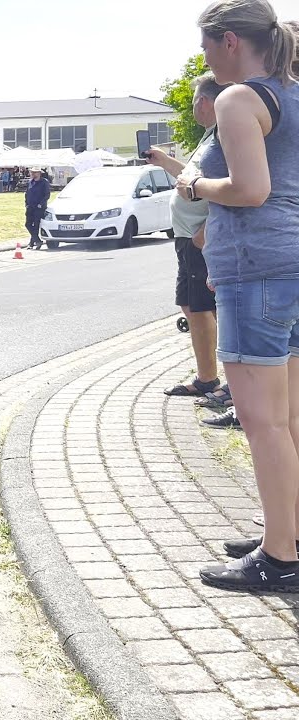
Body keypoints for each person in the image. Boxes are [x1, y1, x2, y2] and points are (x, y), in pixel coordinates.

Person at [187, 0, 299, 593]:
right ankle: (288, 532)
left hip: (256, 272)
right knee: (290, 418)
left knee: (263, 423)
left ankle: (279, 558)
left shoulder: (238, 99)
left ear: (229, 40)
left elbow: (250, 190)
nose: (205, 57)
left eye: (206, 45)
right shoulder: (293, 94)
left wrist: (194, 184)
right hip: (291, 267)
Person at [147, 73, 230, 406]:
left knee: (205, 307)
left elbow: (232, 189)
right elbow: (192, 179)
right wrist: (165, 161)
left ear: (204, 102)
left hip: (200, 240)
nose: (194, 105)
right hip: (188, 239)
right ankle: (206, 377)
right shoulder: (211, 135)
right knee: (192, 306)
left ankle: (221, 382)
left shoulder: (224, 136)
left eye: (195, 99)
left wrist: (206, 233)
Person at [23, 167, 51, 249]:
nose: (32, 174)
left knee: (36, 225)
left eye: (35, 172)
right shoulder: (30, 182)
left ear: (39, 173)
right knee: (28, 224)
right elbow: (27, 193)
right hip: (30, 206)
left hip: (39, 207)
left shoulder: (44, 182)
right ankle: (37, 241)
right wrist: (26, 203)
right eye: (32, 172)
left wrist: (41, 204)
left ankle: (32, 243)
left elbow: (47, 195)